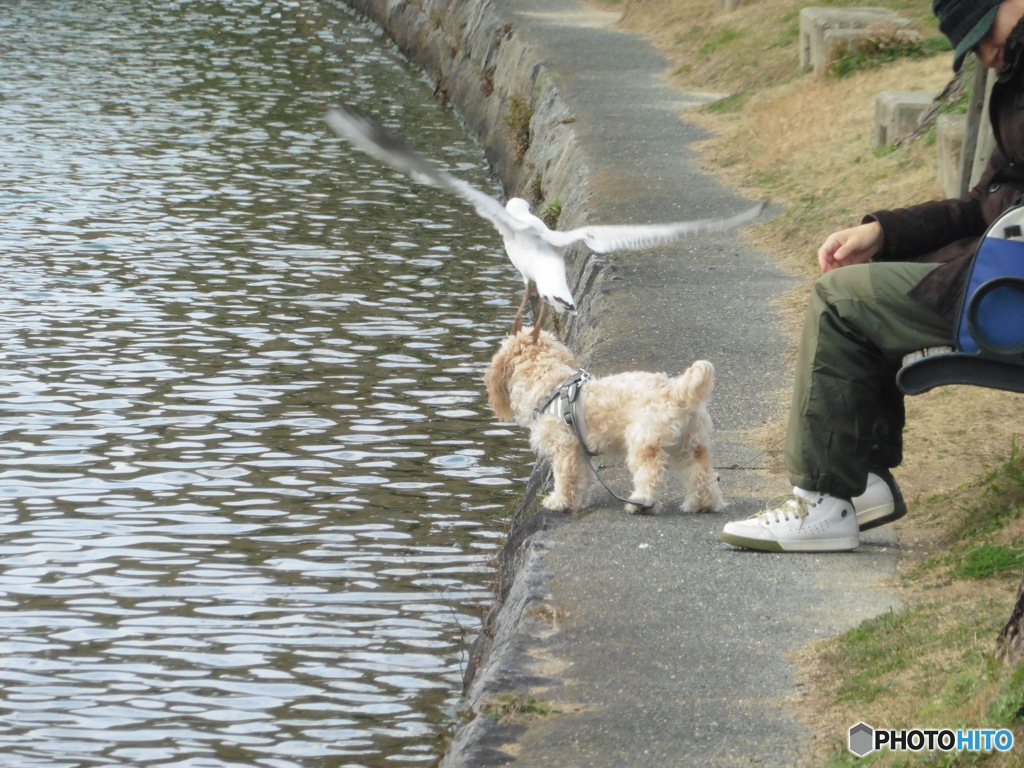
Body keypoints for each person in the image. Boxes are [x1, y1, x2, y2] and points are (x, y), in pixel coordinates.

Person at [721, 0, 1024, 552]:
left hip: (1008, 291)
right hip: (1001, 274)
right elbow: (984, 205)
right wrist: (882, 233)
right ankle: (862, 485)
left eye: (986, 33)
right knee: (865, 281)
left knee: (841, 300)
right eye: (974, 45)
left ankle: (821, 502)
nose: (986, 53)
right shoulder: (1018, 72)